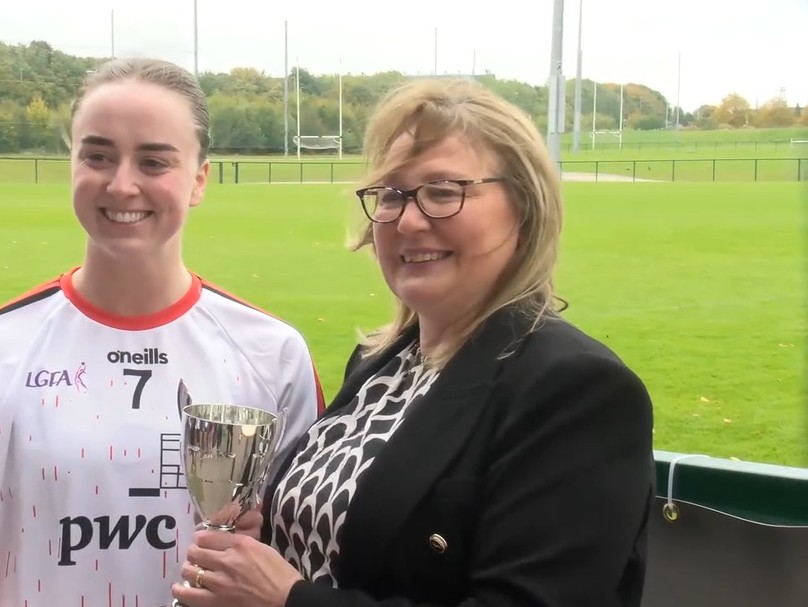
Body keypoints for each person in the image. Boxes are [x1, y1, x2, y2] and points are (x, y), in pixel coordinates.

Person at [171, 78, 655, 607]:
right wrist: (270, 539)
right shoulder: (384, 362)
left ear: (524, 207)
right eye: (391, 195)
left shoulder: (576, 390)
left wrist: (287, 599)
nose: (409, 219)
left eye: (444, 192)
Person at [0, 57, 324, 607]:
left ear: (199, 180)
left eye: (154, 161)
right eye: (97, 156)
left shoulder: (273, 355)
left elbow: (297, 578)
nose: (121, 185)